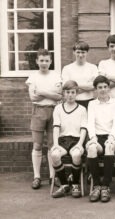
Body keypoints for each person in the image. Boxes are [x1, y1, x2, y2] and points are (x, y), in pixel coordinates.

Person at [26, 49, 62, 189]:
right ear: (37, 61)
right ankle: (37, 177)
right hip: (38, 111)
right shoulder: (33, 77)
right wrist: (50, 93)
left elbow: (59, 96)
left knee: (53, 145)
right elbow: (33, 97)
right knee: (38, 145)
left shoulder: (55, 75)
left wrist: (41, 91)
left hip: (53, 110)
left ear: (50, 61)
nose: (44, 63)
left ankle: (53, 176)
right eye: (41, 60)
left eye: (47, 60)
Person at [87, 75, 115, 203]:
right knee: (91, 148)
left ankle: (106, 186)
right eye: (99, 87)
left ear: (109, 88)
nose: (102, 89)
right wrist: (93, 138)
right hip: (97, 137)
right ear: (96, 89)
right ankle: (96, 186)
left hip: (113, 137)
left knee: (109, 146)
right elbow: (90, 123)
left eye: (105, 87)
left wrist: (111, 137)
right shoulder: (92, 104)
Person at [50, 80, 87, 198]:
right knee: (55, 155)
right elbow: (56, 127)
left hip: (76, 140)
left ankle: (75, 184)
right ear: (63, 94)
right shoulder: (58, 108)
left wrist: (80, 144)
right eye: (67, 92)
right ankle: (64, 185)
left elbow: (83, 129)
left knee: (76, 155)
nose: (70, 95)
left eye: (73, 92)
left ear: (77, 93)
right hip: (63, 140)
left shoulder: (82, 109)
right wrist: (55, 144)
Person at [61, 41, 98, 109]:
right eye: (78, 52)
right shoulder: (67, 68)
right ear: (74, 52)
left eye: (83, 52)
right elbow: (66, 87)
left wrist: (74, 85)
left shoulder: (93, 67)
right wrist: (86, 86)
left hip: (89, 101)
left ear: (87, 52)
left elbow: (94, 86)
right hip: (72, 102)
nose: (80, 55)